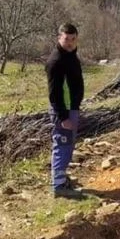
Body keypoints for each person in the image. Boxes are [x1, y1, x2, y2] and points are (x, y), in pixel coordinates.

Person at [46, 23, 84, 199]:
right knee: (62, 145)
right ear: (59, 38)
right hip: (64, 110)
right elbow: (54, 93)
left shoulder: (70, 56)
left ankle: (61, 178)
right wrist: (62, 117)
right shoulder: (56, 61)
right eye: (66, 39)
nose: (69, 42)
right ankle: (58, 186)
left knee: (68, 146)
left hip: (72, 108)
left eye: (73, 39)